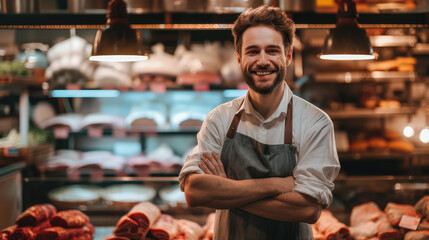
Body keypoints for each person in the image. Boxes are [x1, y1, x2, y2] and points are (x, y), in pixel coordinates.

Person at [178, 5, 340, 240]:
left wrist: (227, 188)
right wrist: (278, 184)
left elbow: (308, 209)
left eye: (272, 51)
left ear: (288, 55)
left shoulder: (315, 123)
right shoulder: (219, 119)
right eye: (252, 51)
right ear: (239, 57)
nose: (262, 61)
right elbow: (195, 192)